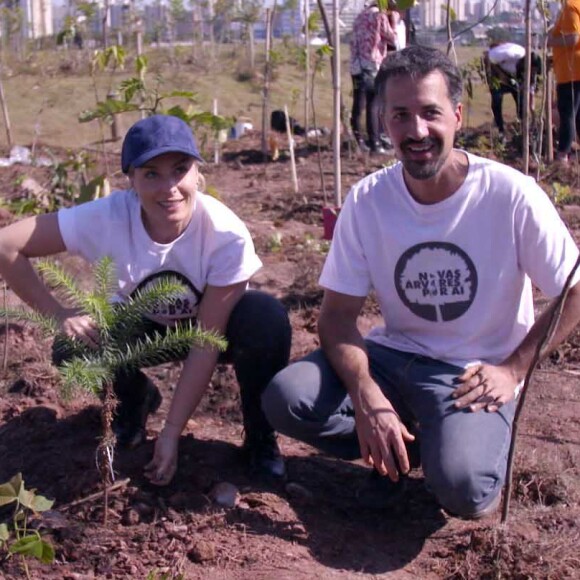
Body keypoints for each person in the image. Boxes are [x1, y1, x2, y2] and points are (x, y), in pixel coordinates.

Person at [262, 45, 580, 519]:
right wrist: (367, 396)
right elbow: (337, 318)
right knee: (288, 400)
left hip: (470, 376)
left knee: (464, 489)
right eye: (400, 115)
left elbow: (574, 289)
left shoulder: (511, 195)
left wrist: (512, 370)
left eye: (430, 113)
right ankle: (399, 447)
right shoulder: (369, 199)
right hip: (392, 360)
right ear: (383, 120)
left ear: (456, 114)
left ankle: (447, 441)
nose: (416, 131)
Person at [0, 114, 291, 486]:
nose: (169, 187)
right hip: (142, 325)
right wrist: (58, 313)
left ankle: (260, 438)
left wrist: (170, 434)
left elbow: (205, 341)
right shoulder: (106, 217)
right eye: (151, 173)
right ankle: (134, 401)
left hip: (215, 330)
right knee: (73, 345)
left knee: (265, 317)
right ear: (131, 180)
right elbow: (8, 245)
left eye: (180, 170)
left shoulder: (225, 234)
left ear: (197, 173)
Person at [349, 0, 397, 154]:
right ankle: (375, 143)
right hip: (372, 64)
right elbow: (392, 38)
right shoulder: (379, 16)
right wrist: (394, 22)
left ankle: (358, 142)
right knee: (373, 104)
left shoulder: (359, 17)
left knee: (358, 105)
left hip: (356, 65)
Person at [482, 41, 542, 140]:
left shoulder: (528, 71)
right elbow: (488, 57)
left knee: (521, 100)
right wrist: (501, 75)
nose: (531, 73)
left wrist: (532, 111)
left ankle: (523, 129)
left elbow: (530, 90)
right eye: (531, 70)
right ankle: (500, 130)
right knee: (497, 99)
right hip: (495, 73)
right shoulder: (508, 54)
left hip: (511, 75)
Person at [548, 0, 580, 163]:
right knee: (577, 113)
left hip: (571, 71)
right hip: (574, 70)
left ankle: (562, 155)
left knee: (567, 113)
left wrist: (549, 41)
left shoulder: (570, 7)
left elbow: (572, 38)